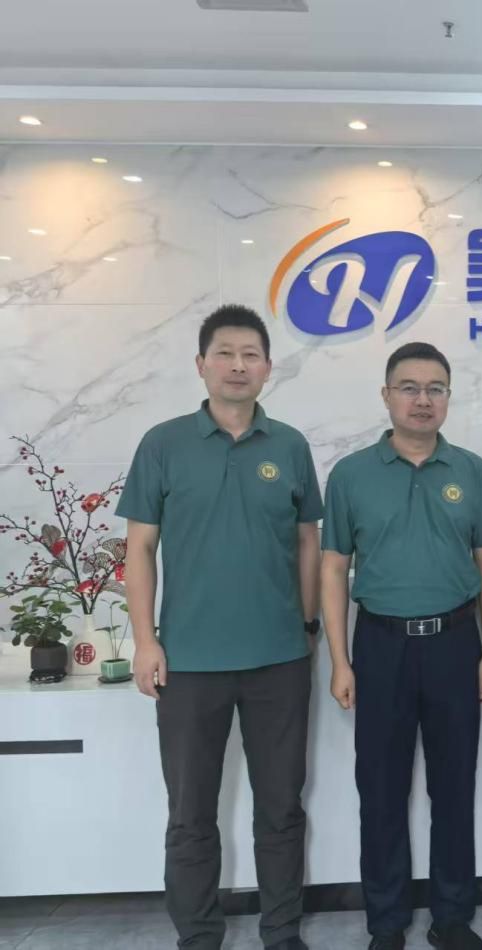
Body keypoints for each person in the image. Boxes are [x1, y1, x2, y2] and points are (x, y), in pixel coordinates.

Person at [120, 304, 322, 950]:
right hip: (188, 662)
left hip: (278, 659)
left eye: (250, 355)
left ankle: (282, 933)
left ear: (268, 367)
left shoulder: (289, 446)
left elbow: (308, 542)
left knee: (281, 809)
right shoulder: (163, 444)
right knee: (190, 814)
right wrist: (146, 640)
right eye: (225, 354)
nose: (238, 365)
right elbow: (139, 548)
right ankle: (199, 936)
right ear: (201, 365)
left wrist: (308, 624)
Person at [320, 342, 482, 950]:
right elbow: (333, 568)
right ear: (386, 395)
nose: (422, 400)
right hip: (379, 646)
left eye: (435, 389)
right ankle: (387, 922)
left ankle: (452, 918)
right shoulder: (351, 475)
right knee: (380, 788)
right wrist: (339, 660)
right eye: (409, 387)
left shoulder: (472, 471)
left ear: (448, 397)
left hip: (455, 644)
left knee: (454, 787)